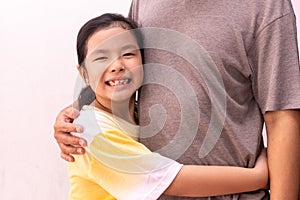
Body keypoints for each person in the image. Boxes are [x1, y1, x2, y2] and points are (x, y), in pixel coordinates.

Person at [54, 0, 300, 199]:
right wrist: (77, 114)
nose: (117, 64)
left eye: (127, 54)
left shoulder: (266, 6)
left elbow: (283, 113)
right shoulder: (144, 4)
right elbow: (123, 77)